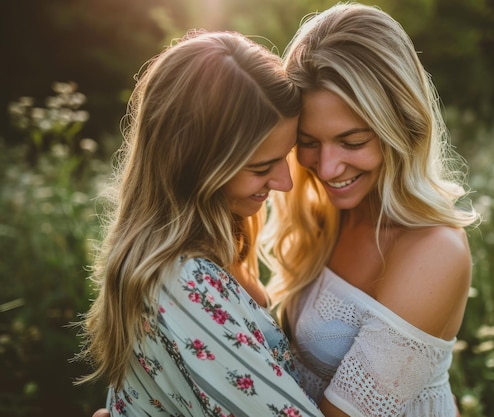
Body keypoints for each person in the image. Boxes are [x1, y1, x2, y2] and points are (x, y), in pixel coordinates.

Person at [76, 29, 325, 417]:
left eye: (286, 156)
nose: (285, 182)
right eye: (261, 167)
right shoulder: (185, 280)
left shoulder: (196, 259)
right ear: (196, 166)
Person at [263, 3, 480, 416]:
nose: (327, 169)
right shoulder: (329, 215)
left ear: (401, 127)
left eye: (352, 142)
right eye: (308, 141)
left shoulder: (433, 250)